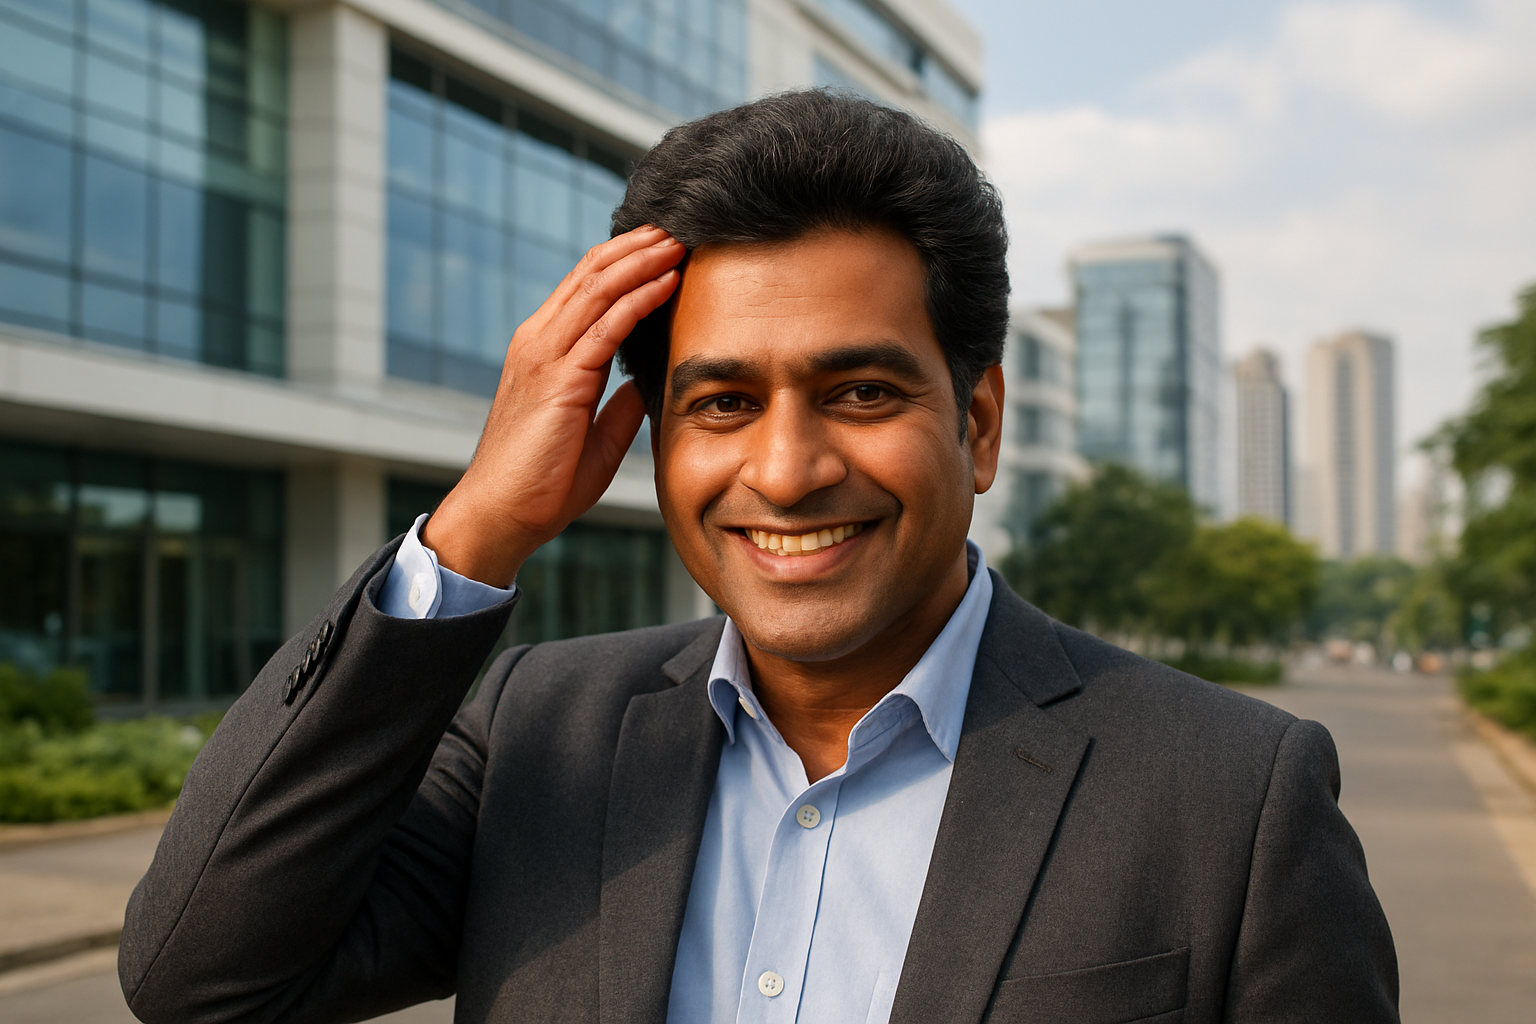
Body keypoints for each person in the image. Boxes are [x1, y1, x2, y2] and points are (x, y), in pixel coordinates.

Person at [119, 90, 1397, 1024]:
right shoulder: (541, 735)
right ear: (658, 438)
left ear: (980, 423)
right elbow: (198, 972)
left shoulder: (1235, 797)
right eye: (720, 403)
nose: (785, 470)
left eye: (858, 391)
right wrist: (473, 528)